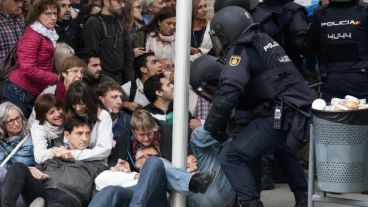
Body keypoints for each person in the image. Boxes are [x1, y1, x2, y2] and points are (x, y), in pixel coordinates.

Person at [205, 6, 315, 207]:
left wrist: (210, 128)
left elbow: (228, 95)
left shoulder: (240, 50)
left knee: (231, 155)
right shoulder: (264, 40)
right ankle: (303, 197)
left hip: (280, 113)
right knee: (277, 146)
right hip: (297, 111)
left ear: (228, 30)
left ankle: (251, 203)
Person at [2, 116, 108, 207]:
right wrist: (32, 171)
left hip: (68, 195)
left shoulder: (96, 163)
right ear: (67, 135)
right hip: (43, 190)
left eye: (87, 134)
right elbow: (36, 170)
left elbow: (98, 193)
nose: (84, 139)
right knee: (18, 167)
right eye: (79, 134)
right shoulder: (55, 153)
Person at [2, 0, 59, 118]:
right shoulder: (33, 36)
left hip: (33, 90)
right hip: (19, 91)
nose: (53, 17)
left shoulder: (47, 33)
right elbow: (28, 69)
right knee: (16, 129)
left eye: (55, 13)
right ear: (37, 15)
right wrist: (56, 78)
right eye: (48, 14)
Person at [304, 0, 368, 101]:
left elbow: (308, 47)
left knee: (333, 115)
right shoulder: (364, 10)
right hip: (360, 77)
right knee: (362, 114)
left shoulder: (320, 13)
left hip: (331, 78)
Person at [82, 0, 134, 85]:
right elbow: (92, 56)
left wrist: (130, 83)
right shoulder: (94, 23)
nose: (123, 5)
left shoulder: (121, 23)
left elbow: (129, 56)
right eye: (118, 1)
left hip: (122, 79)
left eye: (123, 2)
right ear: (106, 2)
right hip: (102, 81)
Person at [64, 80, 113, 161]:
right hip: (70, 160)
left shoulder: (103, 116)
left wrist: (74, 154)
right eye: (74, 104)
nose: (78, 108)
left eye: (81, 104)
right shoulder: (70, 113)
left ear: (89, 101)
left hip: (95, 163)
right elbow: (65, 142)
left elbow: (105, 149)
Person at [96, 81, 131, 166]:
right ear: (101, 99)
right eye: (114, 97)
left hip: (119, 165)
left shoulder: (127, 120)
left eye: (120, 97)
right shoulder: (92, 119)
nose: (119, 102)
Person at [30, 93, 67, 164]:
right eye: (51, 112)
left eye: (58, 109)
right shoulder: (38, 128)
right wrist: (58, 151)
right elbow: (39, 157)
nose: (58, 114)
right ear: (43, 116)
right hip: (51, 164)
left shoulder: (68, 117)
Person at [0, 102, 34, 169]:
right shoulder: (1, 142)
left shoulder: (32, 140)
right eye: (11, 121)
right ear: (2, 124)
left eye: (18, 118)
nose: (16, 123)